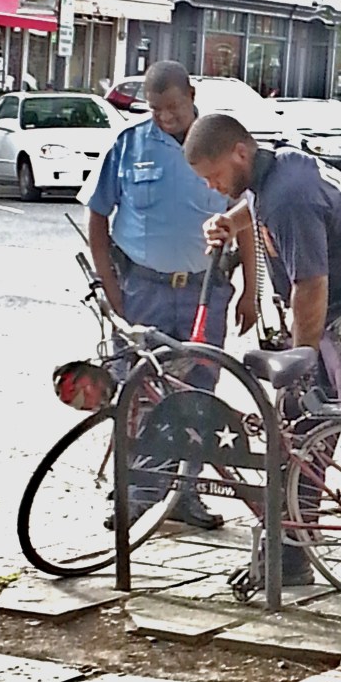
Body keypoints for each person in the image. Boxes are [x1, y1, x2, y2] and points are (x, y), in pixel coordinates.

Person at [184, 113, 341, 600]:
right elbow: (255, 205)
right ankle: (290, 550)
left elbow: (309, 286)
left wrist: (299, 358)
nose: (214, 189)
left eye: (214, 178)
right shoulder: (276, 170)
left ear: (239, 153)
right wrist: (231, 222)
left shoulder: (289, 195)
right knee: (298, 423)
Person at [79, 62, 257, 530]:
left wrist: (251, 292)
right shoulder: (128, 144)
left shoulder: (216, 144)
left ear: (191, 95)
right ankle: (133, 492)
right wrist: (112, 288)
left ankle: (184, 492)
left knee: (197, 396)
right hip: (144, 290)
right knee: (138, 392)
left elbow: (247, 217)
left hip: (205, 291)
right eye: (155, 109)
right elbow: (98, 216)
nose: (164, 117)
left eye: (173, 107)